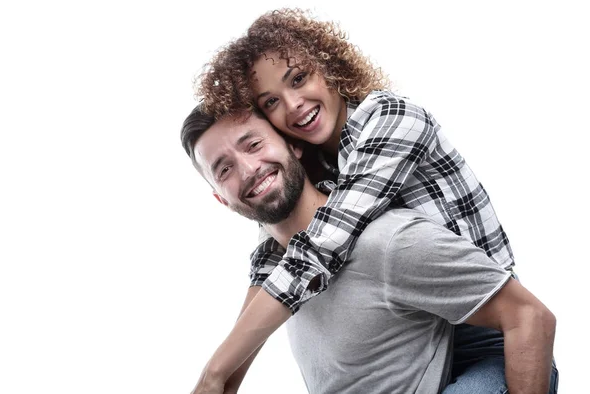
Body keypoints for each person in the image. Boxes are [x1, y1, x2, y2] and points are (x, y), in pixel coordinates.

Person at [194, 8, 545, 392]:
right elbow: (268, 265)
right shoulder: (313, 167)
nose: (293, 103)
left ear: (328, 66)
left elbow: (320, 247)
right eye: (271, 102)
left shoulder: (390, 118)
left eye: (299, 79)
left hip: (490, 334)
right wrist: (228, 381)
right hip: (421, 333)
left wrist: (215, 370)